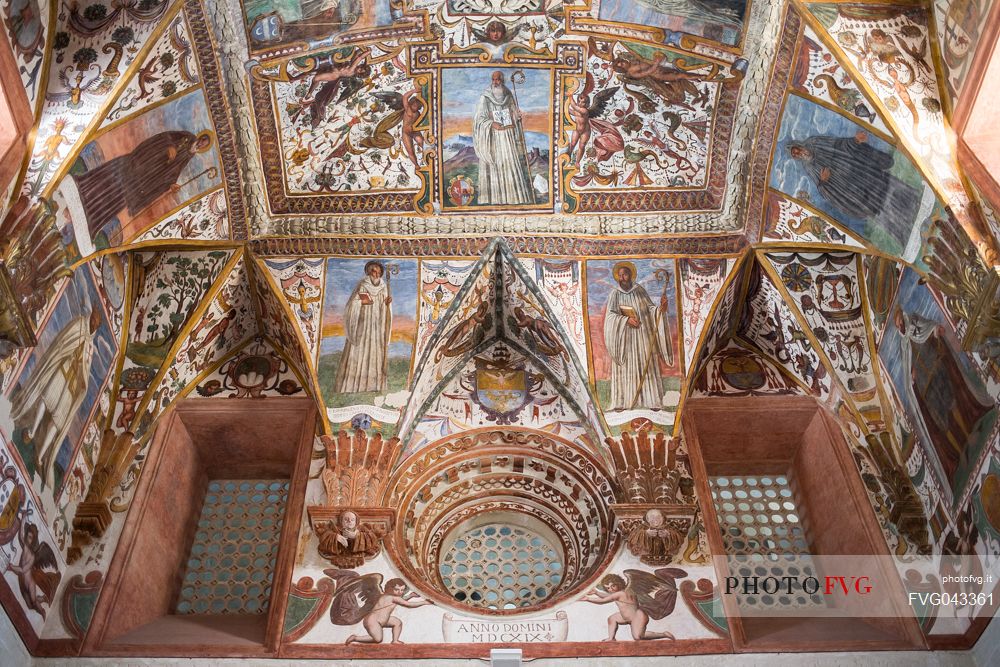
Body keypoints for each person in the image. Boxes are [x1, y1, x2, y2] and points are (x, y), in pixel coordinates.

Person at [892, 306, 995, 489]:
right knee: (941, 419)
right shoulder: (903, 343)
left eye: (900, 321)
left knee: (952, 403)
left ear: (903, 318)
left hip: (936, 367)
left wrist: (934, 330)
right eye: (898, 324)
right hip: (926, 386)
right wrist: (911, 377)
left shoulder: (913, 319)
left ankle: (968, 433)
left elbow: (927, 326)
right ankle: (959, 451)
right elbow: (908, 369)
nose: (900, 326)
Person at [9, 308, 100, 490]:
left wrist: (82, 375)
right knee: (45, 398)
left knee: (57, 421)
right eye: (94, 320)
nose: (93, 324)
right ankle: (32, 432)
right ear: (91, 317)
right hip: (62, 369)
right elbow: (63, 343)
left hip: (72, 385)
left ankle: (41, 456)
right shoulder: (78, 325)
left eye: (97, 324)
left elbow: (86, 372)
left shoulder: (91, 346)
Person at [787, 131, 918, 249]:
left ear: (799, 145)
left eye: (797, 150)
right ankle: (903, 229)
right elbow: (822, 189)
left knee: (883, 185)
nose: (799, 153)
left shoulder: (814, 142)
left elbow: (838, 144)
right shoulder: (809, 168)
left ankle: (914, 203)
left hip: (857, 169)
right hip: (849, 188)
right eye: (796, 155)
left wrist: (854, 141)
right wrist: (823, 181)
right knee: (875, 207)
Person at [72, 130, 214, 236]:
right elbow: (165, 136)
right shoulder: (187, 137)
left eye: (203, 145)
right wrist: (169, 145)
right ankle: (84, 188)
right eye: (202, 141)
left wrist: (171, 184)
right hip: (145, 161)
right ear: (200, 137)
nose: (200, 144)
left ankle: (94, 218)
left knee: (123, 195)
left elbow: (175, 170)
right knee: (115, 175)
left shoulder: (191, 154)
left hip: (148, 178)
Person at [603, 263, 674, 411]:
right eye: (620, 275)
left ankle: (651, 401)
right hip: (624, 340)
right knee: (627, 367)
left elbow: (650, 309)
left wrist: (660, 309)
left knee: (645, 365)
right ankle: (623, 402)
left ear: (631, 275)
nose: (622, 278)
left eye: (625, 274)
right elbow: (610, 317)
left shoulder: (639, 291)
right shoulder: (614, 294)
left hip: (642, 338)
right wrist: (625, 320)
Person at [472, 71, 534, 205]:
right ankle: (494, 199)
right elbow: (479, 120)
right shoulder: (485, 97)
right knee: (496, 166)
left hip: (507, 137)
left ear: (503, 80)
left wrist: (516, 116)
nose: (496, 82)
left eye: (498, 79)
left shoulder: (508, 94)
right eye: (493, 79)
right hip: (493, 137)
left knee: (509, 164)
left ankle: (513, 198)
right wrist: (492, 124)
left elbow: (512, 113)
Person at [334, 261, 392, 393]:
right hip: (363, 325)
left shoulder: (384, 287)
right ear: (368, 272)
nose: (376, 274)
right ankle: (352, 386)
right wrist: (361, 301)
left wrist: (387, 304)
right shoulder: (362, 285)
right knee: (358, 350)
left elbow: (385, 309)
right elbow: (351, 304)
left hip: (377, 326)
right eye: (373, 271)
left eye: (378, 272)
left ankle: (374, 386)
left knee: (375, 352)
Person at [344, 578, 434, 645]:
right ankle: (355, 638)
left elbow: (402, 599)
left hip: (382, 620)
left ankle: (395, 640)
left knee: (397, 622)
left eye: (402, 590)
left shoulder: (390, 596)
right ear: (390, 589)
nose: (400, 592)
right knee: (378, 639)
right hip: (373, 621)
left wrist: (410, 596)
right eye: (397, 589)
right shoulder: (391, 597)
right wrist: (424, 602)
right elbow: (408, 605)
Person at [315, 511, 381, 566]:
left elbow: (373, 538)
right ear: (341, 521)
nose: (349, 521)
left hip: (358, 555)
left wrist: (356, 536)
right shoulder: (335, 529)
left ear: (356, 522)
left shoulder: (361, 529)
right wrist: (336, 537)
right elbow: (324, 538)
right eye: (346, 519)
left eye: (352, 519)